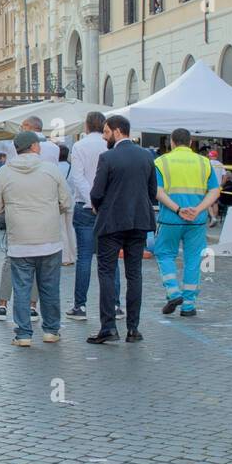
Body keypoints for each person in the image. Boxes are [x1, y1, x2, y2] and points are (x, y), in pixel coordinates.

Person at [0, 129, 71, 347]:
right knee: (50, 287)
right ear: (34, 147)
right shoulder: (51, 170)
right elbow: (66, 202)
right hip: (50, 239)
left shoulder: (4, 173)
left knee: (22, 287)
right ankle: (51, 330)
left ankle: (23, 334)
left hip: (20, 241)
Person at [87, 116, 157, 344]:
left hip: (112, 222)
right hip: (139, 221)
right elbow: (152, 190)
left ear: (117, 131)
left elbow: (96, 192)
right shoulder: (147, 156)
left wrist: (99, 207)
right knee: (134, 274)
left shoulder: (108, 157)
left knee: (107, 272)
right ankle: (133, 329)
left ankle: (108, 327)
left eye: (106, 132)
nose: (104, 137)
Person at [153, 127, 221, 318]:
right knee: (193, 259)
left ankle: (173, 292)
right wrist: (198, 210)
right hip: (196, 220)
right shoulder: (204, 162)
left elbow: (157, 191)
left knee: (165, 254)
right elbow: (214, 191)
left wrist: (177, 209)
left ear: (171, 142)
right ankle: (189, 305)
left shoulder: (161, 162)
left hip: (170, 219)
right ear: (191, 142)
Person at [67, 112, 115, 321]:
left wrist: (92, 200)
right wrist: (102, 201)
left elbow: (77, 178)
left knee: (84, 257)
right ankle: (115, 304)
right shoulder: (109, 145)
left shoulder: (80, 146)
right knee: (110, 258)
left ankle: (80, 305)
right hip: (108, 207)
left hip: (85, 207)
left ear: (86, 125)